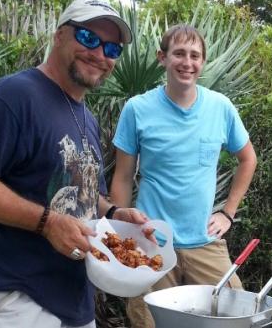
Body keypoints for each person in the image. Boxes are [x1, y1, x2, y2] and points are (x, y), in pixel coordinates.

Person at [0, 0, 151, 328]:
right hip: (16, 299)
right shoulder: (13, 96)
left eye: (112, 49)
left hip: (73, 300)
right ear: (60, 35)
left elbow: (77, 188)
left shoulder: (87, 118)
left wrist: (113, 214)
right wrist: (48, 223)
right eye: (89, 38)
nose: (100, 54)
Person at [110, 24, 257, 328]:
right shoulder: (137, 109)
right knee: (148, 323)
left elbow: (248, 159)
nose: (186, 63)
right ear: (161, 58)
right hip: (151, 242)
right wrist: (122, 236)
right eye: (178, 53)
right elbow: (123, 177)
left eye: (194, 55)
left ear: (202, 62)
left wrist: (228, 213)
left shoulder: (220, 107)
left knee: (237, 318)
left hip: (205, 241)